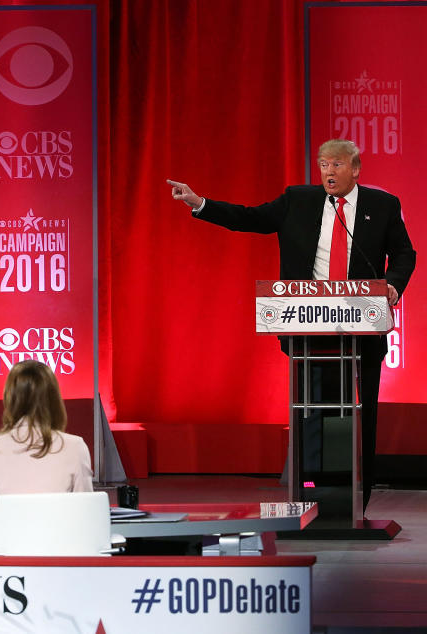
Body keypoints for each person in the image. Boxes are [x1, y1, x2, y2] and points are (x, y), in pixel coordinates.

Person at [167, 138, 416, 512]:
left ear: (355, 168)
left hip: (362, 333)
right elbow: (250, 218)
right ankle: (311, 497)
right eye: (323, 165)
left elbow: (403, 253)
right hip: (309, 333)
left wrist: (393, 285)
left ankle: (352, 505)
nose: (328, 173)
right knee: (311, 415)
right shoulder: (297, 200)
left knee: (360, 417)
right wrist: (200, 203)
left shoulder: (382, 205)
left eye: (336, 165)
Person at [0, 360, 93, 529]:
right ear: (54, 398)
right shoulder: (76, 446)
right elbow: (85, 514)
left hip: (7, 552)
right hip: (62, 549)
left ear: (9, 397)